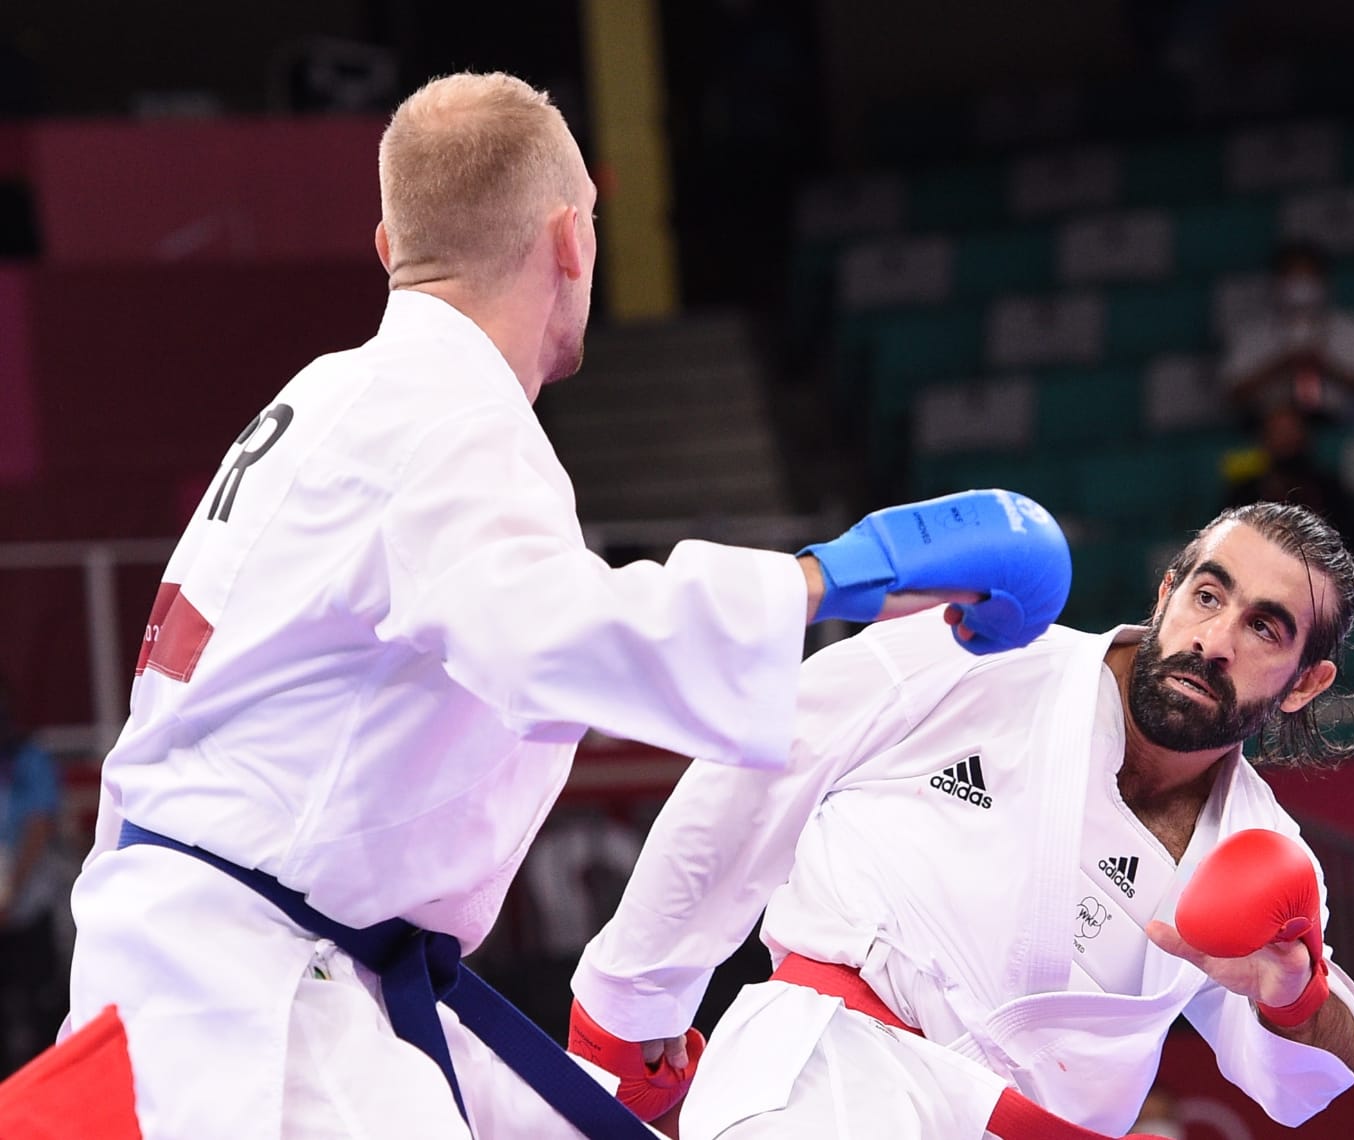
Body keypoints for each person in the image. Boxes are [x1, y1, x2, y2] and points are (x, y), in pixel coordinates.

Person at [64, 72, 1072, 1140]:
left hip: (257, 958)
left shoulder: (338, 392)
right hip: (255, 1006)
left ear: (386, 251)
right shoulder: (443, 412)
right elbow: (550, 642)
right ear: (570, 242)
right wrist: (849, 573)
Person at [573, 502, 1354, 1139]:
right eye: (1208, 595)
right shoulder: (978, 655)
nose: (1214, 640)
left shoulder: (1256, 855)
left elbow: (1299, 1089)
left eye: (1263, 628)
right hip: (838, 1075)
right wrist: (634, 999)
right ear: (1167, 594)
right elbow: (756, 779)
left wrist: (1291, 995)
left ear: (1304, 684)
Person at [1220, 242, 1354, 425]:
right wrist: (1282, 364)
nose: (1300, 284)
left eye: (1307, 276)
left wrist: (1327, 367)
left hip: (1339, 421)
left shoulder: (1351, 327)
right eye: (1292, 276)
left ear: (1324, 281)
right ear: (1276, 282)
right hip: (1272, 426)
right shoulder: (1255, 333)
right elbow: (1232, 392)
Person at [0, 681, 65, 1078]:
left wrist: (10, 896)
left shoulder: (29, 761)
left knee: (39, 1006)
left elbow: (38, 828)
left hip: (29, 909)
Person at [1225, 406, 1354, 568]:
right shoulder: (1243, 494)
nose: (1287, 441)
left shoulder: (1331, 491)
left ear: (1307, 439)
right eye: (1279, 433)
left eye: (1293, 432)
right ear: (1264, 440)